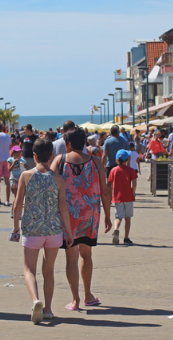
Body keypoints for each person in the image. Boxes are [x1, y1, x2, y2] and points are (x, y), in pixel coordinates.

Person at [12, 138, 73, 324]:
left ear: (34, 156)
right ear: (52, 156)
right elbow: (63, 208)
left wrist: (16, 227)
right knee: (49, 271)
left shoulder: (26, 176)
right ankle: (47, 309)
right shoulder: (58, 179)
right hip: (54, 231)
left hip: (32, 230)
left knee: (29, 269)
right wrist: (68, 233)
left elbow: (17, 205)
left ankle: (35, 300)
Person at [50, 127, 111, 311]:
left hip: (67, 216)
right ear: (84, 143)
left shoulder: (59, 161)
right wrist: (108, 215)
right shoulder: (96, 162)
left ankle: (75, 300)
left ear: (67, 144)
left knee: (71, 258)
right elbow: (105, 191)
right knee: (86, 255)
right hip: (89, 216)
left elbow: (49, 185)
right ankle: (88, 295)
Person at [109, 149, 137, 246]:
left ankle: (116, 229)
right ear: (128, 159)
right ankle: (126, 237)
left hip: (117, 196)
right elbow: (134, 184)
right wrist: (133, 192)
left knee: (118, 217)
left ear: (116, 159)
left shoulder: (113, 170)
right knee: (127, 218)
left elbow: (110, 184)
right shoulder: (131, 170)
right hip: (128, 196)